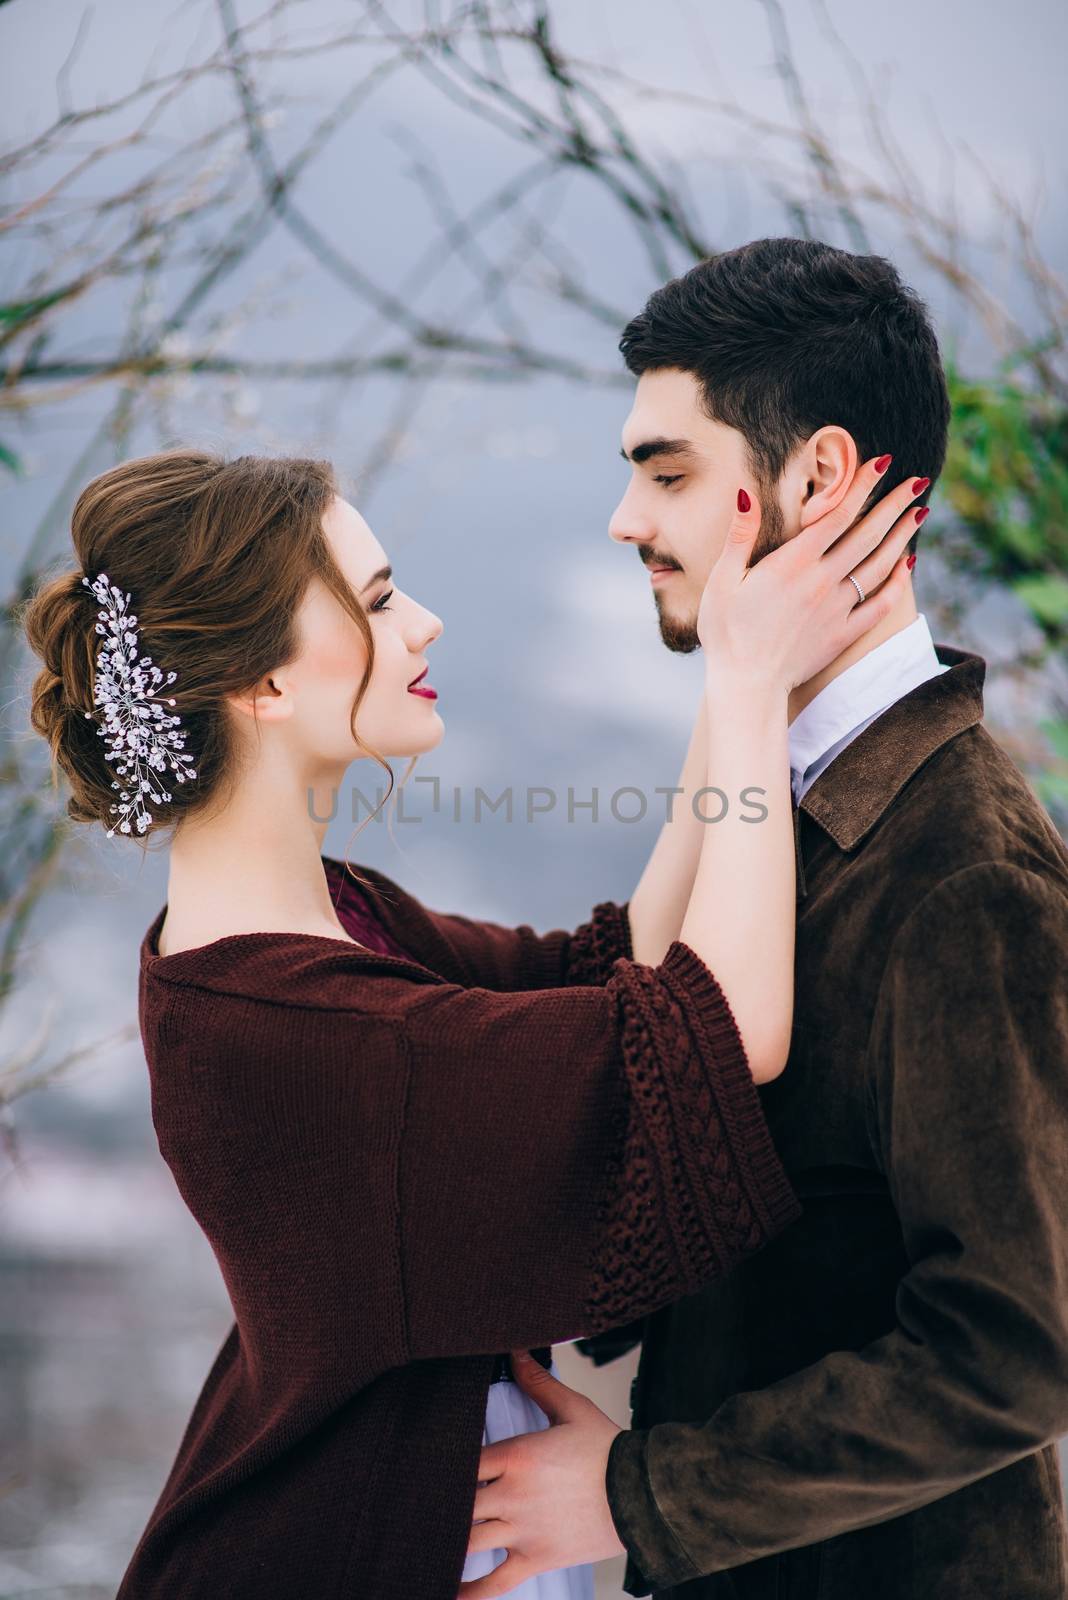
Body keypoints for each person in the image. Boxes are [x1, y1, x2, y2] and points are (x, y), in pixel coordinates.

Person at [18, 442, 917, 1600]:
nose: (427, 624)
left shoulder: (311, 922)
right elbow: (722, 1033)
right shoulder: (308, 1035)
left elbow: (610, 975)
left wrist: (732, 660)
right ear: (266, 684)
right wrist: (749, 692)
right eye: (383, 602)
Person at [464, 237, 1068, 1600]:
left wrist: (638, 1492)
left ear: (820, 477)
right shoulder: (775, 796)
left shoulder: (966, 872)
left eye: (667, 472)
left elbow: (1015, 1348)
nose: (628, 519)